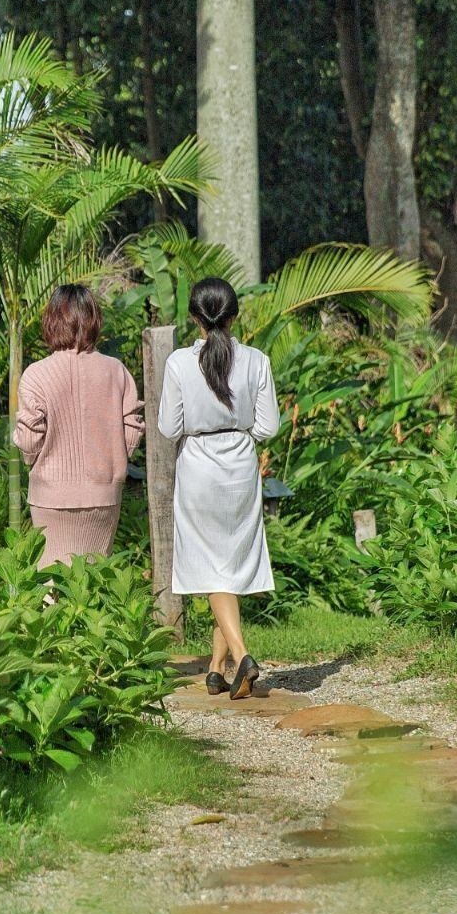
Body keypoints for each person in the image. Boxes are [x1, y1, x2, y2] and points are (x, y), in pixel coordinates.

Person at [156, 276, 277, 698]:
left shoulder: (178, 363)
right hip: (241, 465)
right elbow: (268, 426)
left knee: (212, 566)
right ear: (235, 315)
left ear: (194, 318)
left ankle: (240, 655)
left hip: (198, 466)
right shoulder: (256, 360)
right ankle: (216, 667)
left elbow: (168, 427)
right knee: (227, 562)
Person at [13, 284, 145, 567]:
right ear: (94, 320)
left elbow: (28, 440)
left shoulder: (36, 375)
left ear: (51, 321)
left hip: (51, 497)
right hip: (104, 495)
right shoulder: (116, 371)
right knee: (95, 582)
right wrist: (115, 458)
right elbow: (133, 424)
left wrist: (32, 459)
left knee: (51, 581)